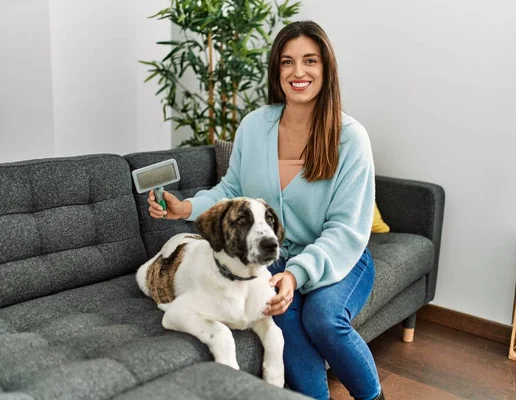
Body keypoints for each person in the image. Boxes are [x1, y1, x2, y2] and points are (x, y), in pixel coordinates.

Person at [147, 20, 383, 400]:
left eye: (310, 61)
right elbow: (232, 190)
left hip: (339, 257)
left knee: (323, 319)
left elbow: (345, 231)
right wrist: (186, 207)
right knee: (280, 315)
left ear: (326, 69)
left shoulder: (350, 138)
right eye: (287, 62)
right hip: (272, 263)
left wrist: (295, 275)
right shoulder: (255, 126)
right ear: (276, 70)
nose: (298, 72)